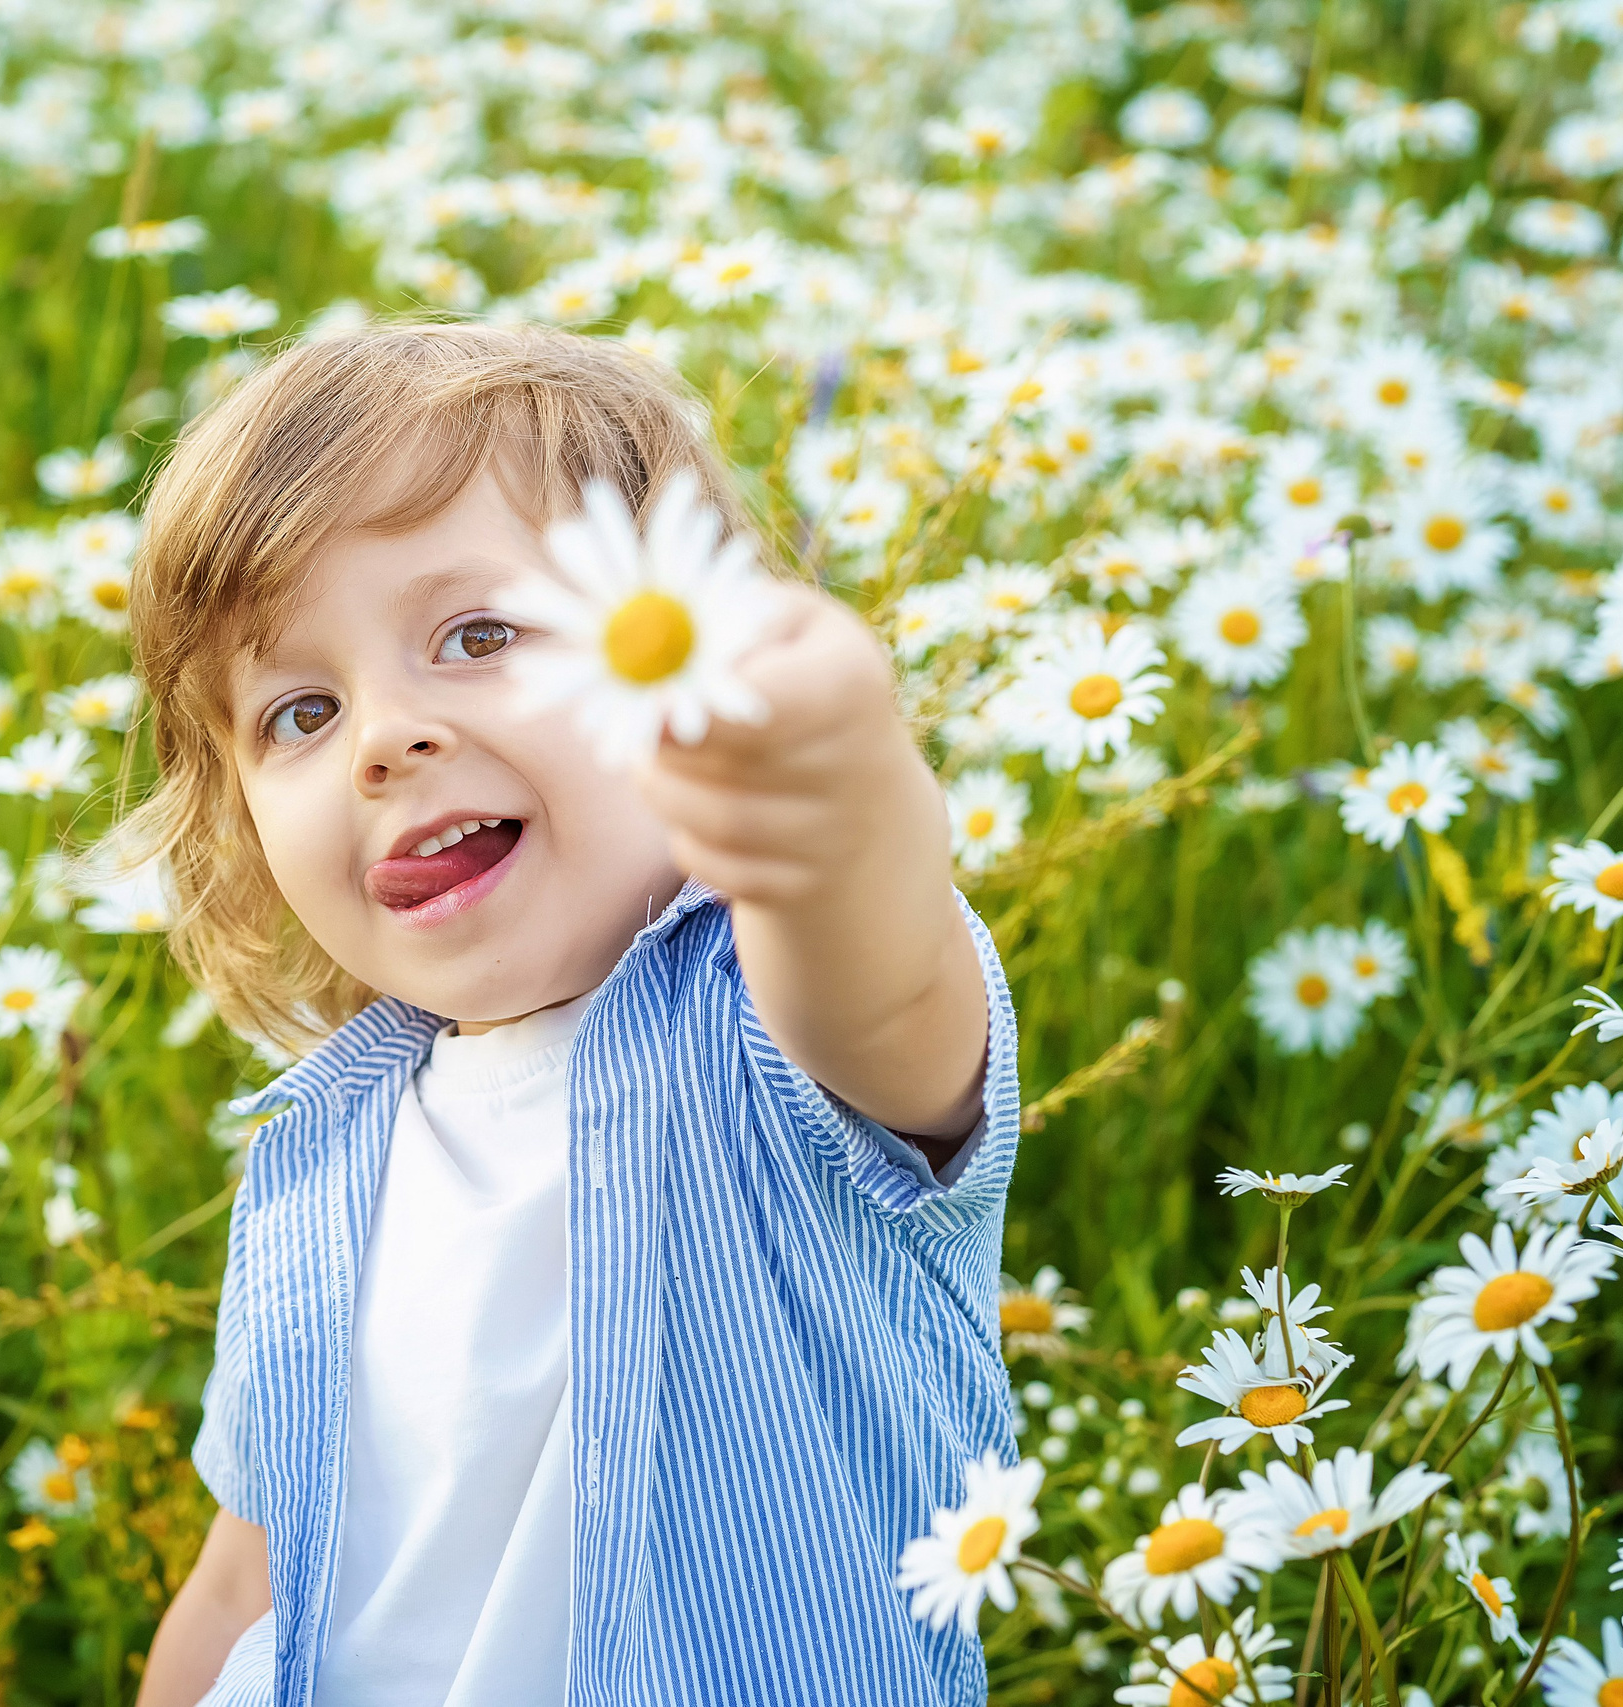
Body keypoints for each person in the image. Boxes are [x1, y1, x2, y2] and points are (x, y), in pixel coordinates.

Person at [122, 322, 1018, 1707]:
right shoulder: (315, 1161)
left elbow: (884, 969)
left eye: (477, 635)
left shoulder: (769, 1040)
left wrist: (833, 785)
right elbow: (250, 1574)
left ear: (680, 667)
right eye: (298, 711)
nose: (381, 737)